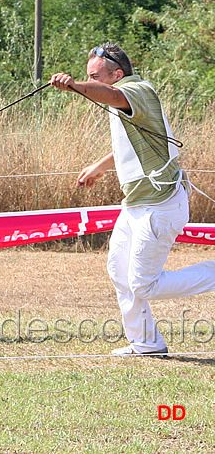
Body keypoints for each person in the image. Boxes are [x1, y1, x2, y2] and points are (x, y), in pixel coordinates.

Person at [49, 43, 215, 356]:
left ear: (118, 74)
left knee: (143, 284)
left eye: (96, 77)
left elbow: (112, 96)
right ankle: (146, 343)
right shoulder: (123, 102)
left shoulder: (136, 89)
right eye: (89, 77)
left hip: (160, 204)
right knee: (118, 271)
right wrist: (98, 168)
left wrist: (73, 85)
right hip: (137, 204)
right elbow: (127, 143)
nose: (93, 82)